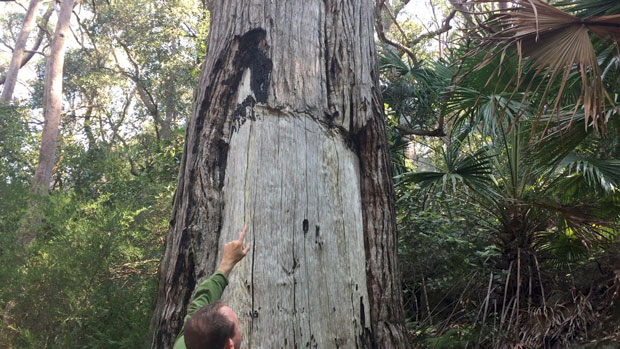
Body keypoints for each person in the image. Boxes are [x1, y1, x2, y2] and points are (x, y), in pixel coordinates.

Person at [173, 226, 251, 349]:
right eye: (238, 326)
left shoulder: (185, 343)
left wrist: (228, 262)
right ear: (228, 345)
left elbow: (203, 298)